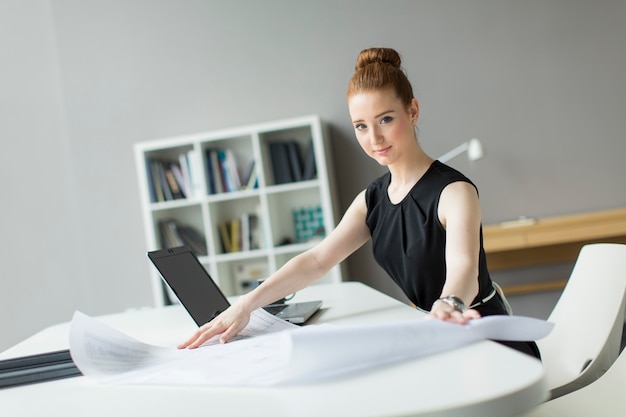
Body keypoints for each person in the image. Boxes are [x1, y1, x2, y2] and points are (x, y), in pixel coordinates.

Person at [179, 47, 540, 359]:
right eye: (361, 126)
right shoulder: (373, 199)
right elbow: (318, 260)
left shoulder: (455, 192)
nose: (374, 138)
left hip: (484, 335)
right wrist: (244, 305)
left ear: (412, 111)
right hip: (436, 333)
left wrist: (449, 305)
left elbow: (464, 270)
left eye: (385, 119)